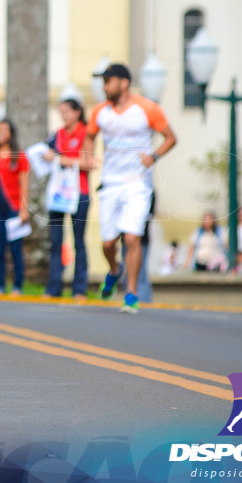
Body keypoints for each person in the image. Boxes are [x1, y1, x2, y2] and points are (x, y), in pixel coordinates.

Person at [83, 63, 177, 313]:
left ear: (124, 83)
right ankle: (115, 270)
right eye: (103, 81)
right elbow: (89, 137)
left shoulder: (147, 108)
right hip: (110, 184)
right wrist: (89, 157)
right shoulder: (100, 112)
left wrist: (154, 156)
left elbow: (171, 137)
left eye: (108, 81)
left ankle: (131, 294)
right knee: (107, 244)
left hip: (138, 183)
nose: (104, 86)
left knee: (132, 237)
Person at [43, 98, 92, 298]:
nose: (64, 116)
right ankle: (54, 287)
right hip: (58, 193)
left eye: (67, 112)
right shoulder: (58, 134)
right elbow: (51, 155)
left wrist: (61, 159)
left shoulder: (86, 132)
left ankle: (79, 288)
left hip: (79, 192)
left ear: (77, 112)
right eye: (61, 112)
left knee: (78, 241)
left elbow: (88, 162)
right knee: (56, 241)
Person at [0, 119, 29, 295]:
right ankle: (0, 285)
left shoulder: (19, 157)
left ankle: (17, 285)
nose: (0, 132)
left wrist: (24, 209)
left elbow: (24, 185)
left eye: (4, 129)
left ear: (11, 133)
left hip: (14, 208)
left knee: (15, 249)